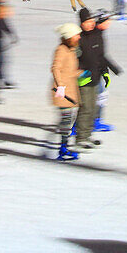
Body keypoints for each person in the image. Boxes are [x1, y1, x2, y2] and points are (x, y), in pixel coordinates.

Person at [81, 9, 121, 133]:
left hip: (95, 71)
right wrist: (113, 68)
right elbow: (99, 55)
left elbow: (100, 55)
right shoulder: (95, 34)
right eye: (108, 21)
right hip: (89, 72)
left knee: (96, 97)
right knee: (94, 98)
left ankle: (91, 122)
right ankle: (92, 122)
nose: (109, 23)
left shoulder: (98, 33)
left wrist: (105, 71)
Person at [50, 23, 82, 161]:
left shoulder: (71, 49)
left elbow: (69, 69)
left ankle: (65, 146)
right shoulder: (61, 50)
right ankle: (63, 149)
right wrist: (60, 85)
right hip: (63, 92)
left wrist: (80, 73)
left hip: (71, 89)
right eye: (76, 35)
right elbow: (55, 68)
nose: (79, 37)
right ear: (69, 37)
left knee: (70, 119)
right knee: (66, 120)